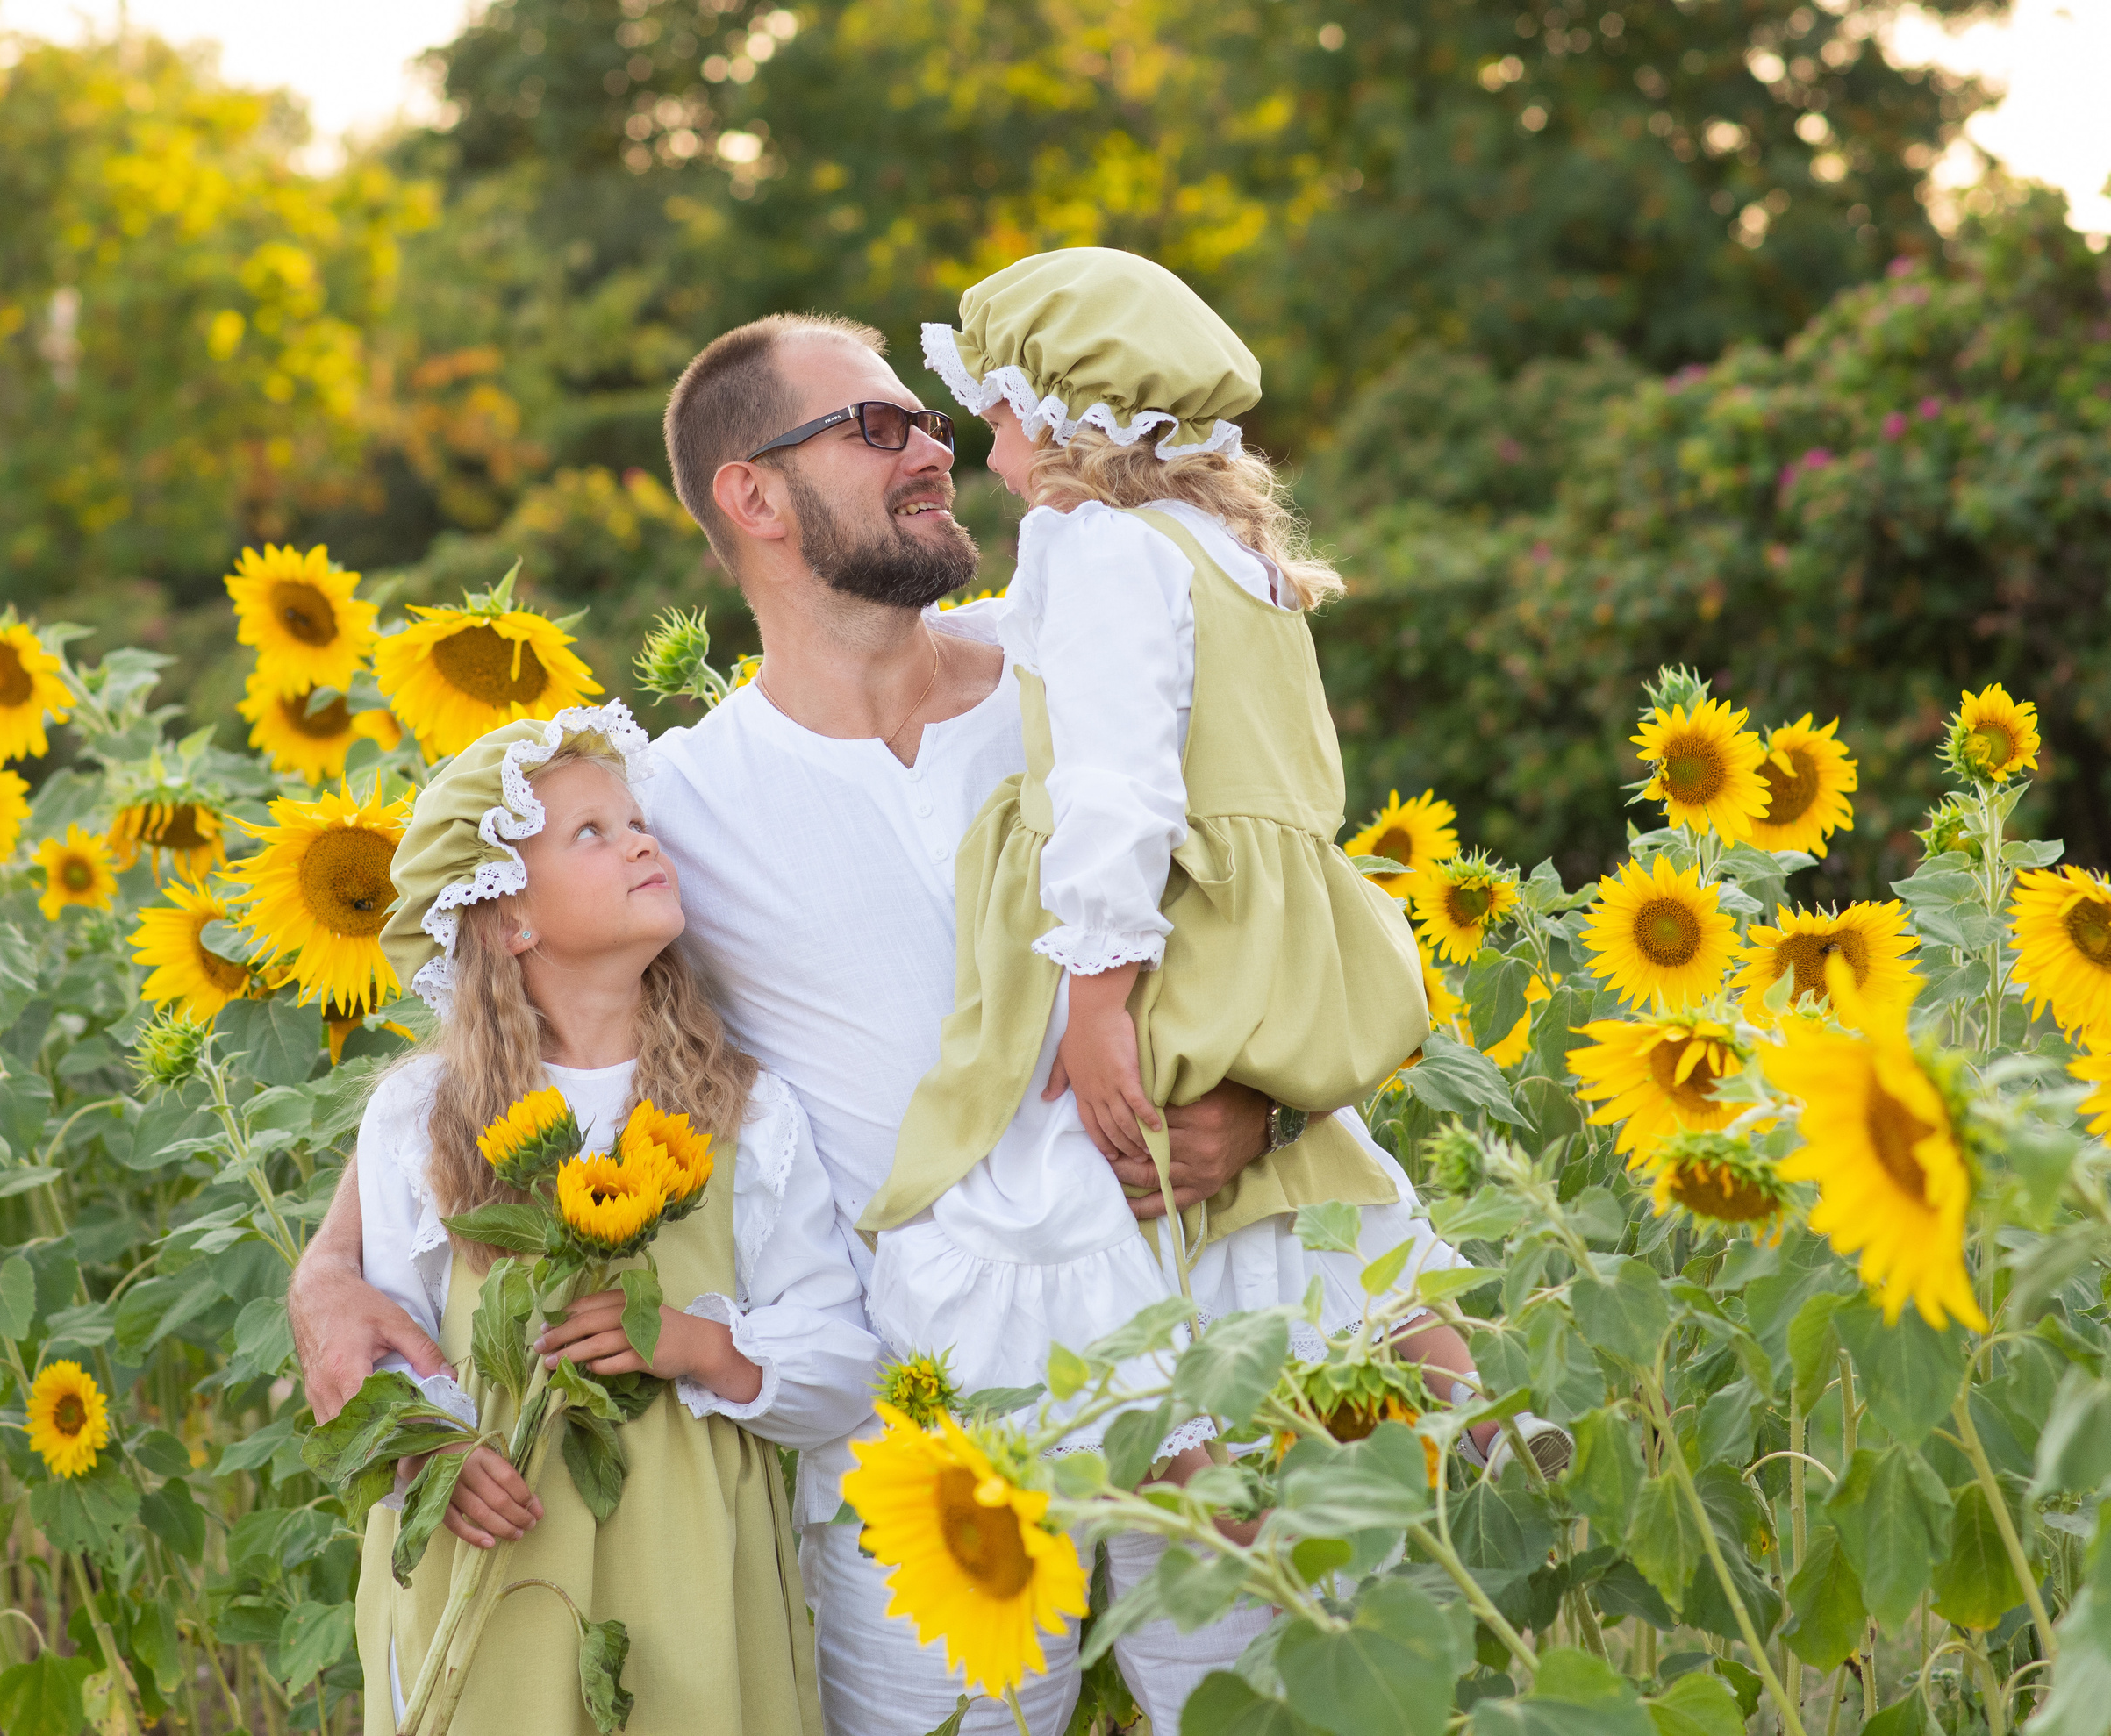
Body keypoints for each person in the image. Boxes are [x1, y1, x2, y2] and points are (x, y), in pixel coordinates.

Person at [293, 306, 1474, 1734]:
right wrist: (333, 1265)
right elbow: (507, 1017)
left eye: (929, 419)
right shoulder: (680, 804)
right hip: (921, 1421)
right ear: (753, 495)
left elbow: (1277, 910)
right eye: (878, 425)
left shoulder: (1085, 664)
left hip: (1217, 1348)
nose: (936, 448)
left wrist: (1269, 1106)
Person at [860, 248, 1432, 1447]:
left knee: (1087, 1173)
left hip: (1170, 916)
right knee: (1305, 1170)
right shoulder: (1226, 553)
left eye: (1000, 413)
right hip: (1268, 924)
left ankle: (1166, 1447)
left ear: (1068, 417)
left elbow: (1117, 784)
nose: (988, 446)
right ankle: (1449, 1388)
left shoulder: (1104, 549)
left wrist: (1097, 990)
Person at [348, 705, 881, 1736]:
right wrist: (432, 1451)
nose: (642, 839)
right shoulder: (424, 1114)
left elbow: (837, 1363)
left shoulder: (741, 1108)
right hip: (493, 1547)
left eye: (637, 820)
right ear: (508, 916)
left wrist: (695, 1343)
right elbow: (387, 1338)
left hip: (687, 1552)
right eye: (590, 831)